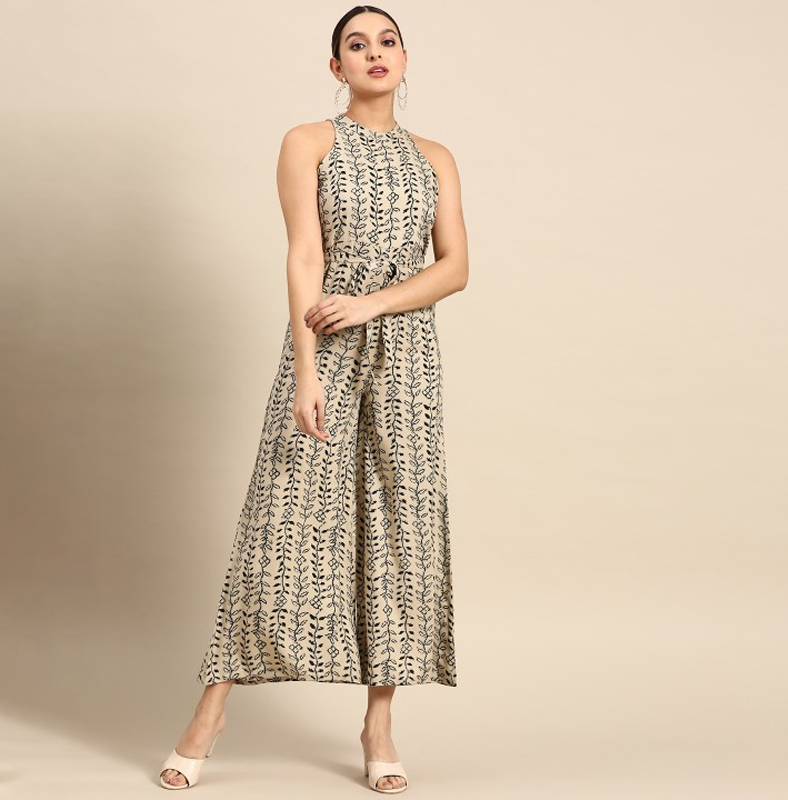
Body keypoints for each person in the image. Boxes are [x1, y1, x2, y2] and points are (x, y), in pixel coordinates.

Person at [158, 4, 468, 793]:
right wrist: (305, 371)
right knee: (277, 526)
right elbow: (303, 257)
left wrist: (372, 304)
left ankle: (379, 725)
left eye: (387, 42)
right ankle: (209, 715)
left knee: (399, 532)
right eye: (356, 45)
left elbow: (455, 267)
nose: (374, 53)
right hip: (324, 348)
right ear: (337, 67)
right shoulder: (309, 142)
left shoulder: (435, 157)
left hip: (407, 361)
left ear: (405, 59)